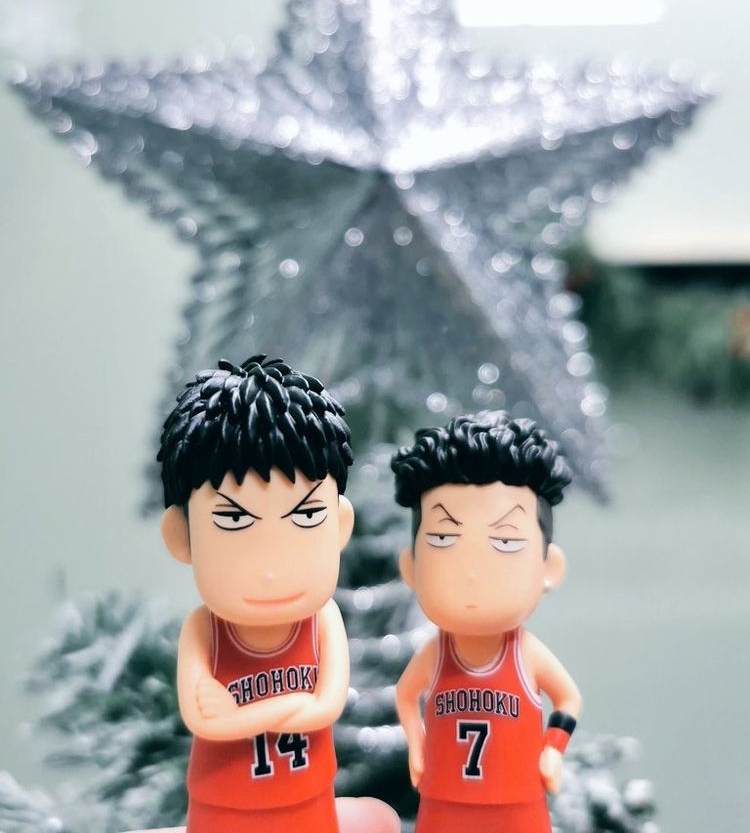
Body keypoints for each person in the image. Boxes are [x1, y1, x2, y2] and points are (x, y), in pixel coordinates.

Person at [158, 355, 398, 833]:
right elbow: (204, 722)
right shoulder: (204, 630)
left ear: (340, 526)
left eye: (306, 516)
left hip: (309, 804)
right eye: (233, 520)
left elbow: (325, 707)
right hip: (221, 809)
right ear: (182, 537)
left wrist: (244, 714)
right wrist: (289, 708)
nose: (270, 570)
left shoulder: (324, 618)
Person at [392, 412, 582, 833]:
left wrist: (552, 750)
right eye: (443, 539)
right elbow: (405, 695)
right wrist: (417, 744)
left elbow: (568, 699)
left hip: (518, 805)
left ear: (549, 568)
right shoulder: (436, 653)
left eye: (507, 541)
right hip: (444, 802)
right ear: (411, 568)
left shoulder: (525, 654)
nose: (473, 573)